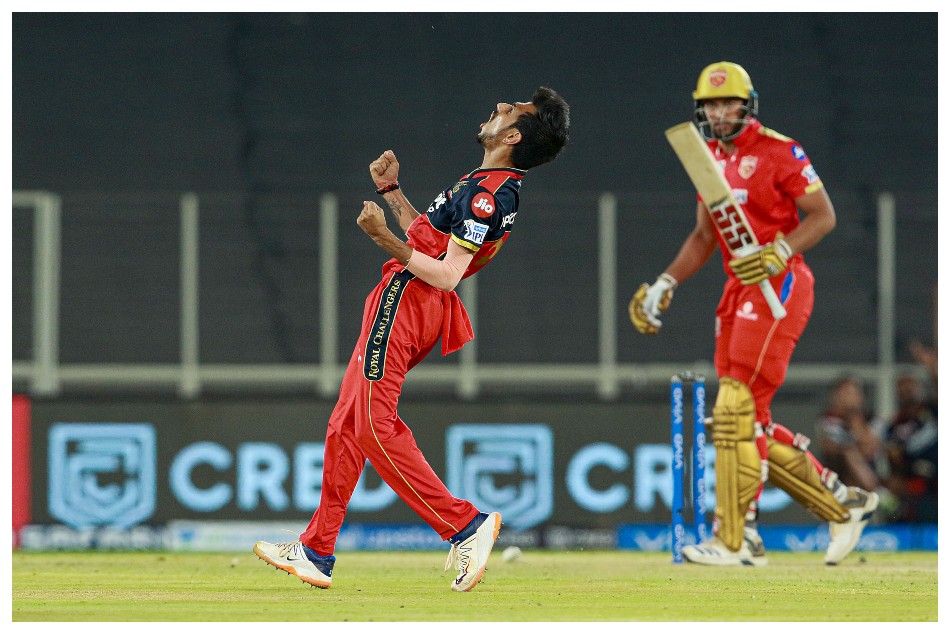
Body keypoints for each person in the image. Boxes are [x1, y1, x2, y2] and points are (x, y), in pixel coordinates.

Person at [253, 87, 570, 591]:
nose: (500, 105)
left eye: (512, 111)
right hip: (410, 299)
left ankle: (464, 526)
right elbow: (431, 239)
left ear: (513, 137)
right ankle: (316, 549)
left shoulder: (488, 196)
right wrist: (392, 192)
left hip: (410, 300)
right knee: (346, 425)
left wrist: (382, 238)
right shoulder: (485, 183)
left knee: (372, 425)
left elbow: (447, 274)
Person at [629, 61, 878, 566]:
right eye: (712, 105)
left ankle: (736, 539)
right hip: (738, 288)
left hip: (778, 286)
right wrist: (666, 282)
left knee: (734, 409)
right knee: (750, 422)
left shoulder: (780, 150)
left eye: (729, 103)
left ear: (748, 105)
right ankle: (842, 505)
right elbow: (705, 236)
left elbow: (824, 216)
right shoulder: (710, 159)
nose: (721, 113)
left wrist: (780, 251)